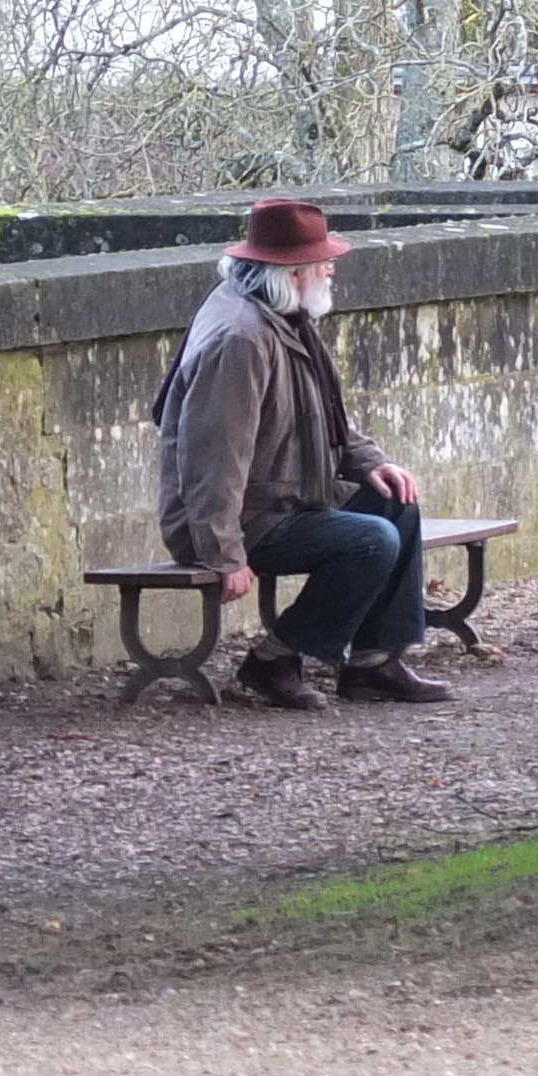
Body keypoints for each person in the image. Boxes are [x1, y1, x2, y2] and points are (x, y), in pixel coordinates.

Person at [150, 198, 454, 711]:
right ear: (289, 272)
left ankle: (373, 664)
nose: (332, 266)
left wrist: (371, 463)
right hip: (239, 520)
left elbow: (327, 413)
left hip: (287, 498)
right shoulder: (241, 339)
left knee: (395, 504)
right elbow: (213, 457)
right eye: (321, 260)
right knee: (369, 539)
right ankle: (273, 659)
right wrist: (224, 554)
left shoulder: (281, 315)